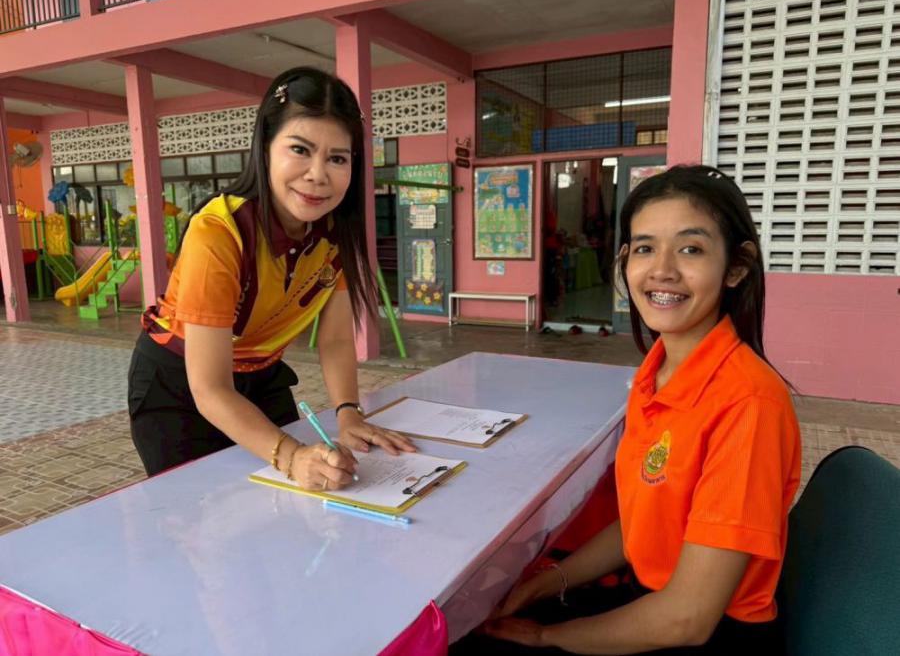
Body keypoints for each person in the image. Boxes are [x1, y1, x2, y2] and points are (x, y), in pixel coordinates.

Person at [454, 165, 800, 654]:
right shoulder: (655, 373)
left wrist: (550, 636)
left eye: (691, 249)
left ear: (736, 267)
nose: (662, 270)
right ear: (624, 261)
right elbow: (643, 525)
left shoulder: (748, 403)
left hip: (707, 634)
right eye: (644, 248)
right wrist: (544, 583)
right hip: (650, 597)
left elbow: (687, 619)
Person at [127, 67, 415, 490]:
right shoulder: (219, 232)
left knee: (285, 503)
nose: (318, 174)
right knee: (196, 513)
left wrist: (349, 413)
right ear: (264, 147)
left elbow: (336, 339)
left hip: (261, 376)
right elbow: (209, 387)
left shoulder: (335, 235)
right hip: (179, 387)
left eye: (337, 158)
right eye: (300, 149)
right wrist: (292, 456)